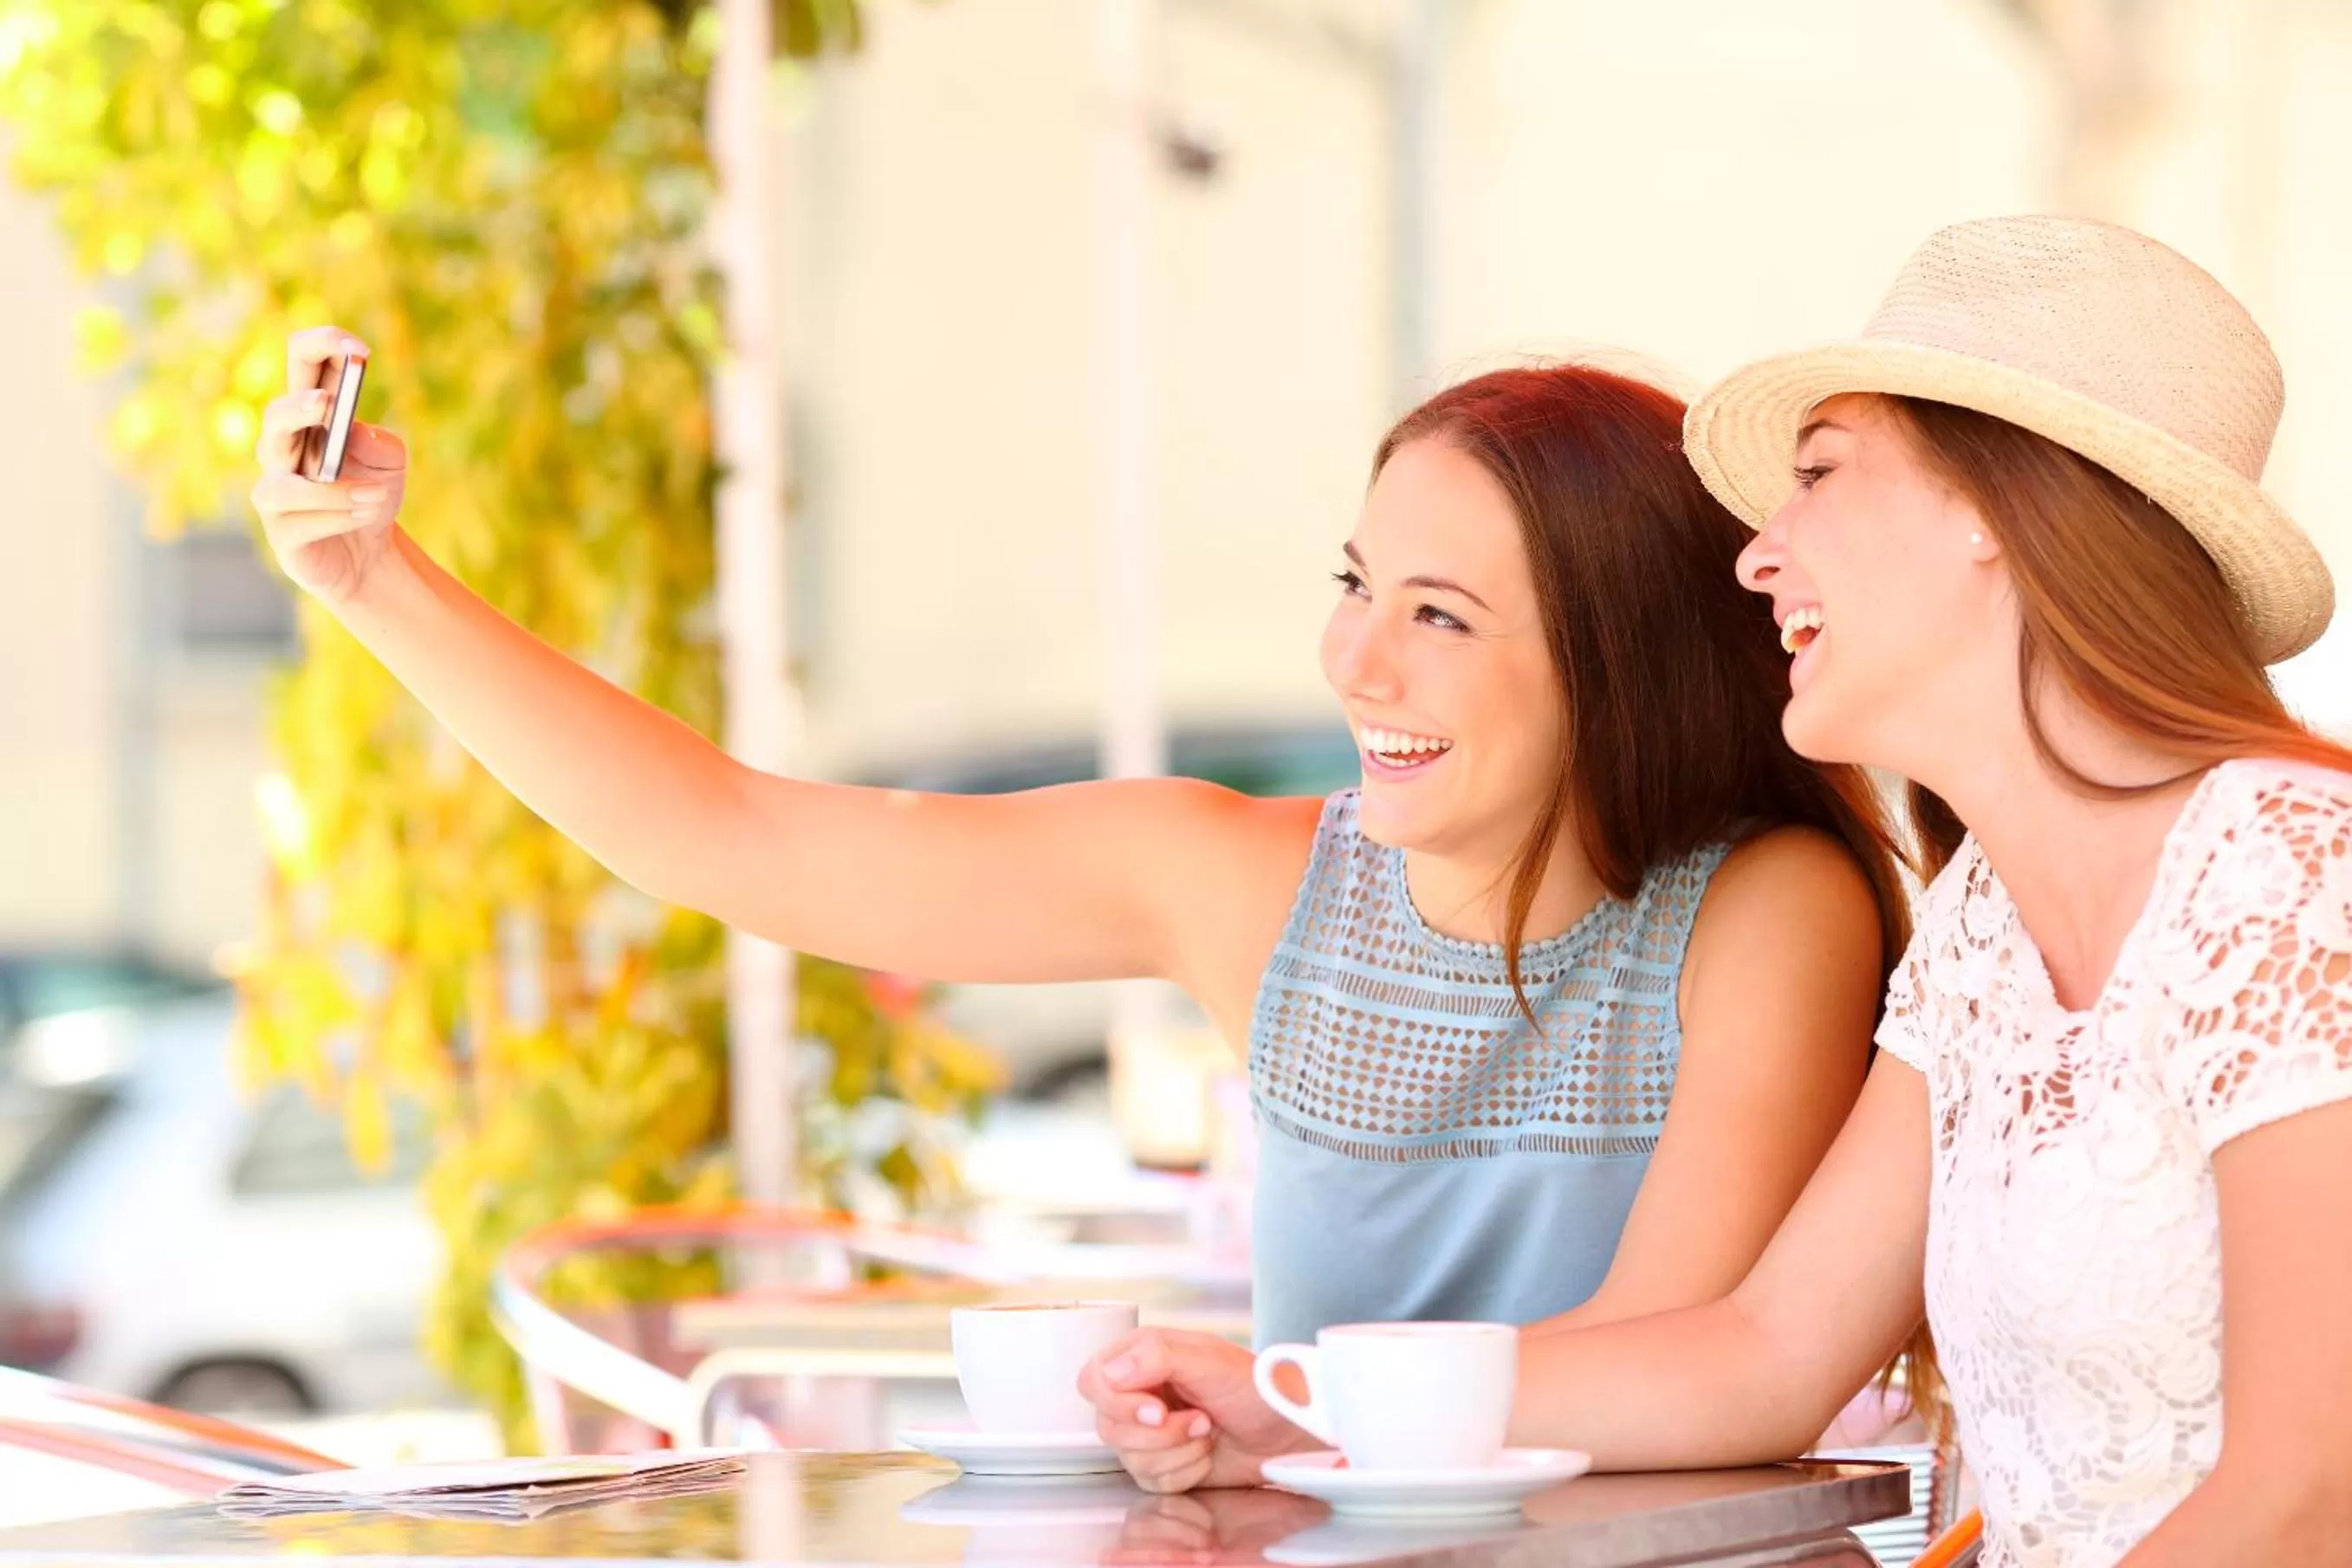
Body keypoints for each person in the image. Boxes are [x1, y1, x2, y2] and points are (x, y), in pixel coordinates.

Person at [1085, 217, 2352, 1568]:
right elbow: (1762, 1352)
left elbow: (2307, 1490)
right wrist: (1301, 1411)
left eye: (1818, 473)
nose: (1757, 555)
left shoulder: (2289, 872)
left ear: (1990, 512)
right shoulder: (1983, 924)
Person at [250, 347, 1904, 1368]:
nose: (1354, 663)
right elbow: (736, 837)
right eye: (1355, 583)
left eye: (1439, 617)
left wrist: (1258, 1404)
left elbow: (1669, 1358)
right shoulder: (1243, 881)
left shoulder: (1766, 911)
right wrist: (373, 583)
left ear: (1615, 665)